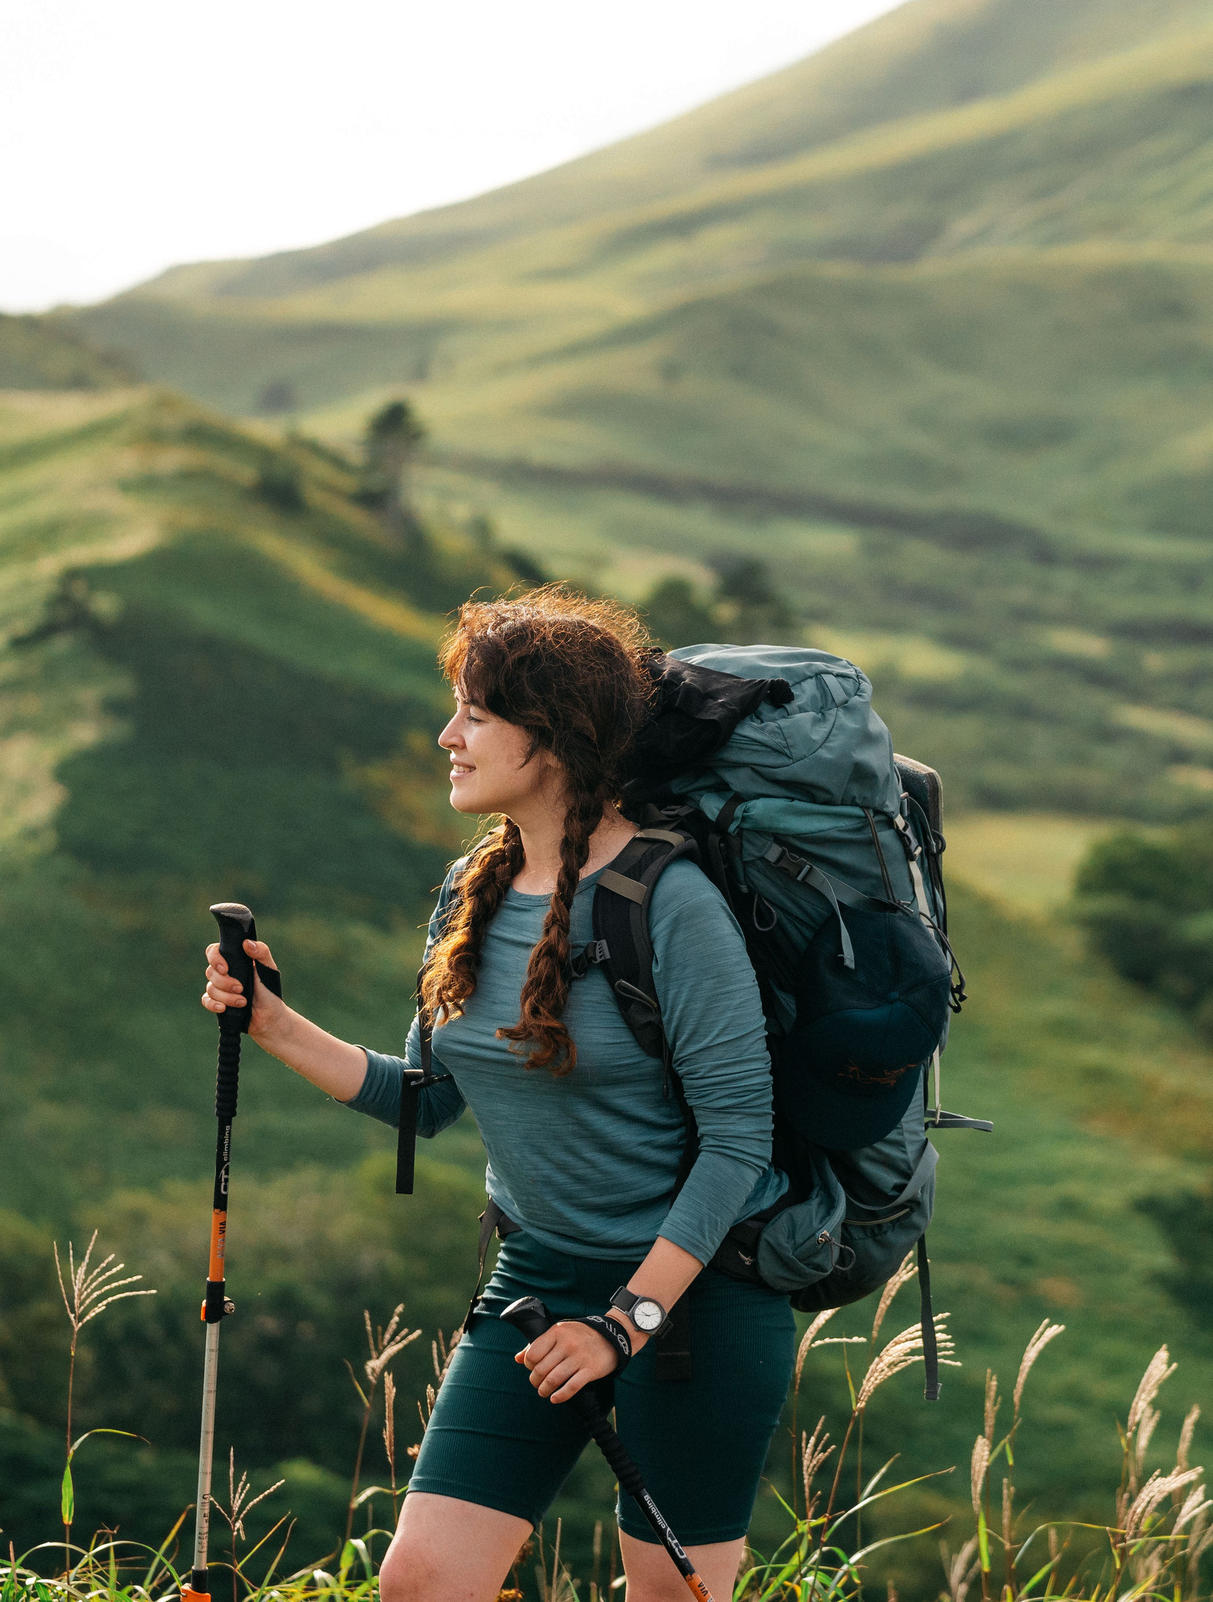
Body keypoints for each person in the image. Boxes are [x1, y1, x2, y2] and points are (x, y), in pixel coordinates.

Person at [201, 586, 792, 1602]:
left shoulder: (672, 904)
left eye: (474, 715)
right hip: (537, 1280)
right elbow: (425, 1099)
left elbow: (740, 1142)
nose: (448, 736)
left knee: (669, 1598)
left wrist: (624, 1324)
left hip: (694, 1298)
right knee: (421, 1584)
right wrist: (273, 1024)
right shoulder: (470, 890)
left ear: (551, 738)